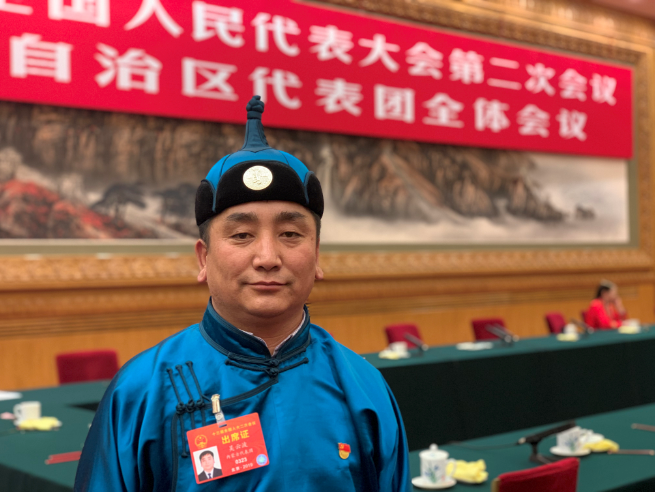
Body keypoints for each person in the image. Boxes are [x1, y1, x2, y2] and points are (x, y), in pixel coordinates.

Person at [74, 96, 410, 491]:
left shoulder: (362, 386)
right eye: (241, 235)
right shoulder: (141, 391)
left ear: (317, 256)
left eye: (290, 234)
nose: (267, 257)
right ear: (204, 258)